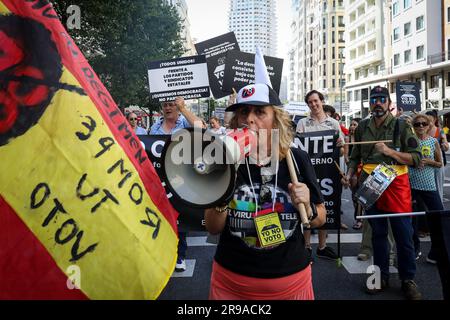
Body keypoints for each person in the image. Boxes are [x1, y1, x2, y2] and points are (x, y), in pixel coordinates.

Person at [205, 83, 326, 300]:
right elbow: (213, 228)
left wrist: (307, 205)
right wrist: (222, 191)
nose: (250, 119)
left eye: (260, 112)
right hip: (231, 285)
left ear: (276, 119)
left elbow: (319, 218)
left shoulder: (296, 159)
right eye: (244, 112)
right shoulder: (225, 162)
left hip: (291, 283)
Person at [342, 86, 422, 300]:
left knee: (403, 236)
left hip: (396, 184)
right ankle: (380, 276)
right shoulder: (363, 127)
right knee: (377, 235)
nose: (378, 103)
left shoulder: (401, 126)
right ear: (370, 103)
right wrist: (350, 173)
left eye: (382, 99)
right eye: (374, 99)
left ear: (388, 102)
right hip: (371, 184)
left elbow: (416, 158)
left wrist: (389, 152)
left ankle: (408, 280)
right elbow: (354, 156)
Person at [150, 96, 205, 272]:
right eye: (165, 105)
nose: (168, 108)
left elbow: (201, 128)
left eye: (171, 105)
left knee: (179, 218)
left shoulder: (185, 124)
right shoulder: (154, 128)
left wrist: (183, 108)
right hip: (159, 181)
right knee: (161, 216)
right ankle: (162, 255)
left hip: (181, 180)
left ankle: (179, 255)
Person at [296, 90, 344, 260]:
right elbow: (297, 147)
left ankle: (322, 246)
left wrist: (340, 145)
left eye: (316, 101)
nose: (313, 104)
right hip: (307, 173)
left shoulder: (334, 124)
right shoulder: (302, 123)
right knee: (307, 209)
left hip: (327, 172)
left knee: (326, 208)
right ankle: (307, 246)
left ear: (322, 101)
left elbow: (342, 150)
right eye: (310, 102)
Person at [409, 114, 450, 300]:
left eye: (424, 123)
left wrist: (427, 162)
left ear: (429, 125)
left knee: (438, 215)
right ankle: (415, 250)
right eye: (417, 124)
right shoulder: (409, 141)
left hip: (429, 186)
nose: (420, 126)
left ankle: (436, 252)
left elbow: (440, 163)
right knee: (412, 220)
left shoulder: (433, 142)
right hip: (412, 186)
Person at [344, 118, 362, 230]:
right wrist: (352, 167)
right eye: (351, 124)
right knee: (355, 196)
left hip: (364, 169)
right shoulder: (347, 138)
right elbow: (346, 156)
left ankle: (360, 219)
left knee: (362, 196)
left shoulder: (363, 138)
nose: (352, 126)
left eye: (355, 124)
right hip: (352, 170)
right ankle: (358, 218)